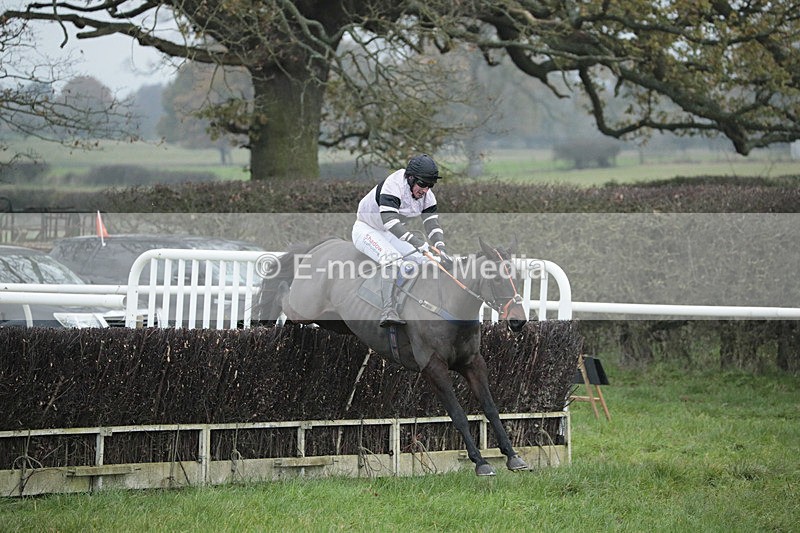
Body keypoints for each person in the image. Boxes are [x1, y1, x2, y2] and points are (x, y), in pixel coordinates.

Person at [352, 154, 453, 327]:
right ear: (410, 178)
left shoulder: (427, 197)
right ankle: (388, 310)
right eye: (422, 184)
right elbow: (390, 222)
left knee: (426, 258)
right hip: (366, 228)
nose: (425, 190)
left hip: (388, 232)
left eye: (430, 185)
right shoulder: (394, 185)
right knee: (392, 258)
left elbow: (432, 224)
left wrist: (440, 248)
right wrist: (417, 242)